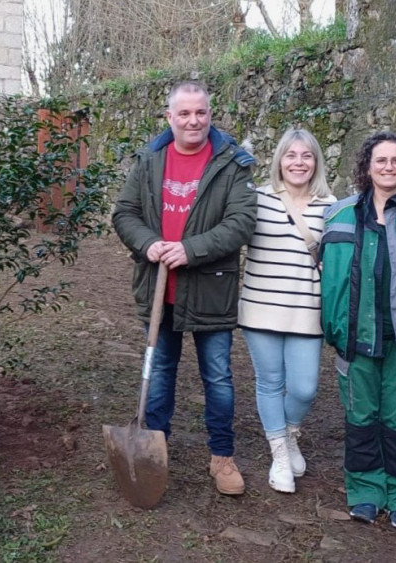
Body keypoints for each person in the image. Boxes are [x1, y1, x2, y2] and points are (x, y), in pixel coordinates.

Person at [112, 81, 257, 496]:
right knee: (159, 373)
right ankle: (154, 448)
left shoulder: (231, 163)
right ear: (169, 118)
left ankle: (223, 457)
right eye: (185, 113)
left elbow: (241, 222)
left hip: (210, 288)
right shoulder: (150, 159)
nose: (193, 120)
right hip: (159, 288)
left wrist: (190, 250)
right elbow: (125, 212)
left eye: (201, 113)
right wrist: (147, 243)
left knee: (218, 377)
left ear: (210, 114)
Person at [321, 131, 396, 531]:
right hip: (357, 338)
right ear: (367, 166)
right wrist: (335, 326)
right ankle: (365, 491)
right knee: (361, 418)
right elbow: (331, 280)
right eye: (381, 160)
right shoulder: (339, 215)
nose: (389, 166)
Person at [238, 129, 336, 494]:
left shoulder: (331, 204)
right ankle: (280, 454)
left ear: (316, 162)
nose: (298, 162)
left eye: (306, 155)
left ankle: (291, 434)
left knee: (305, 387)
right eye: (291, 155)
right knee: (270, 381)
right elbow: (230, 232)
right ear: (279, 160)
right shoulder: (257, 199)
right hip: (261, 307)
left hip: (307, 308)